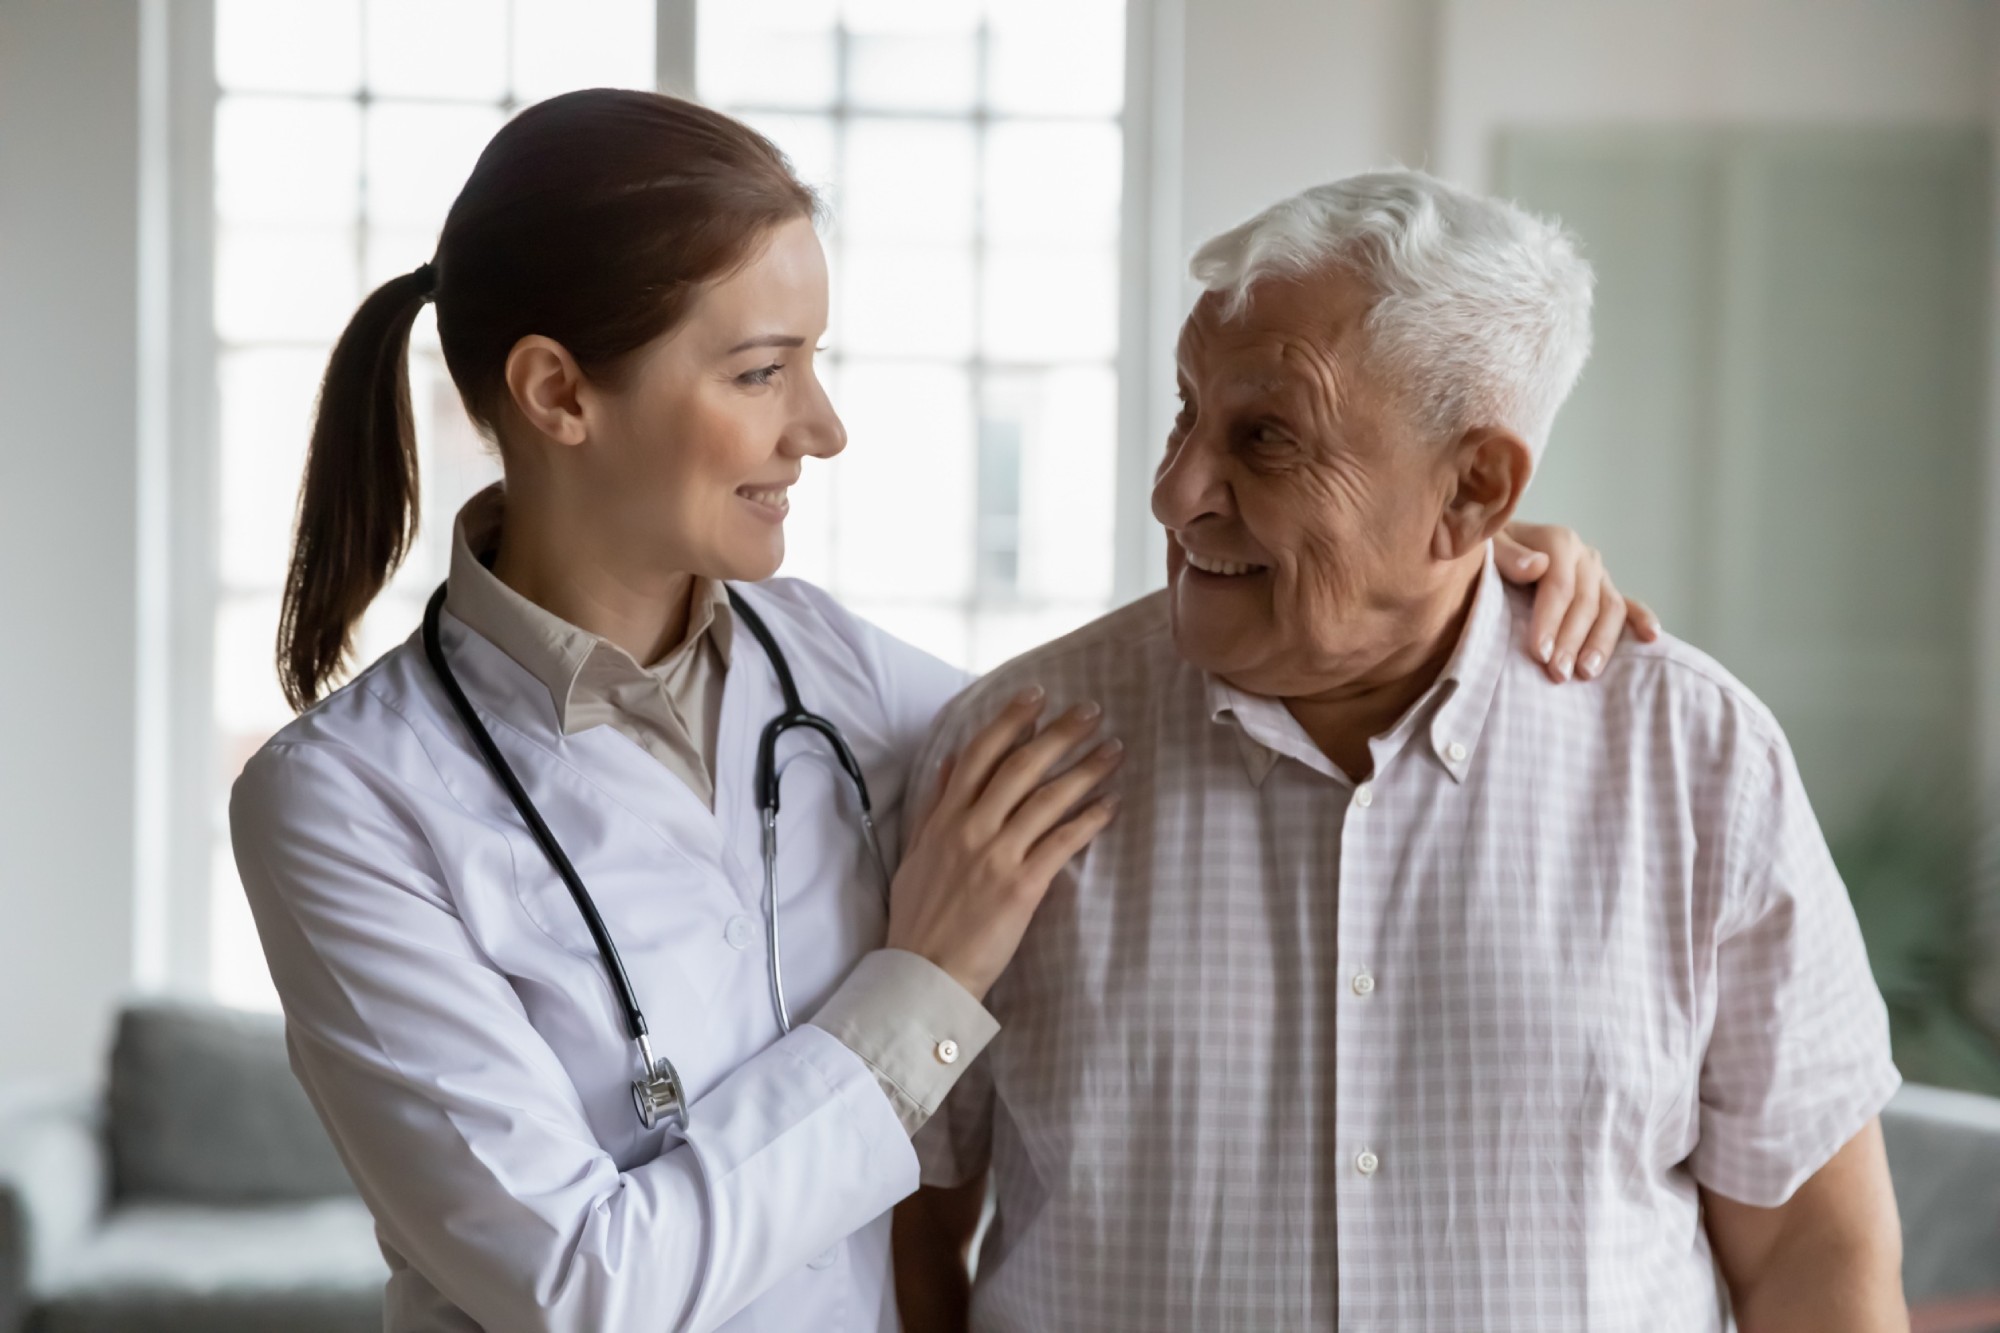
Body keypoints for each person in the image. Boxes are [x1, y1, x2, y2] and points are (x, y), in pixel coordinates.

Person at [230, 94, 1646, 1332]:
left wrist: (1460, 563)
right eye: (761, 370)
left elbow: (1186, 672)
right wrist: (922, 987)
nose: (821, 426)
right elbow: (581, 1286)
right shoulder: (345, 800)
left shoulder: (836, 678)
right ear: (556, 393)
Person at [896, 172, 1906, 1333]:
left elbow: (1811, 1253)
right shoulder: (1009, 754)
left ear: (1473, 491)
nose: (1173, 493)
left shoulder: (1693, 759)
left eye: (1263, 438)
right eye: (1184, 412)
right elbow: (898, 1223)